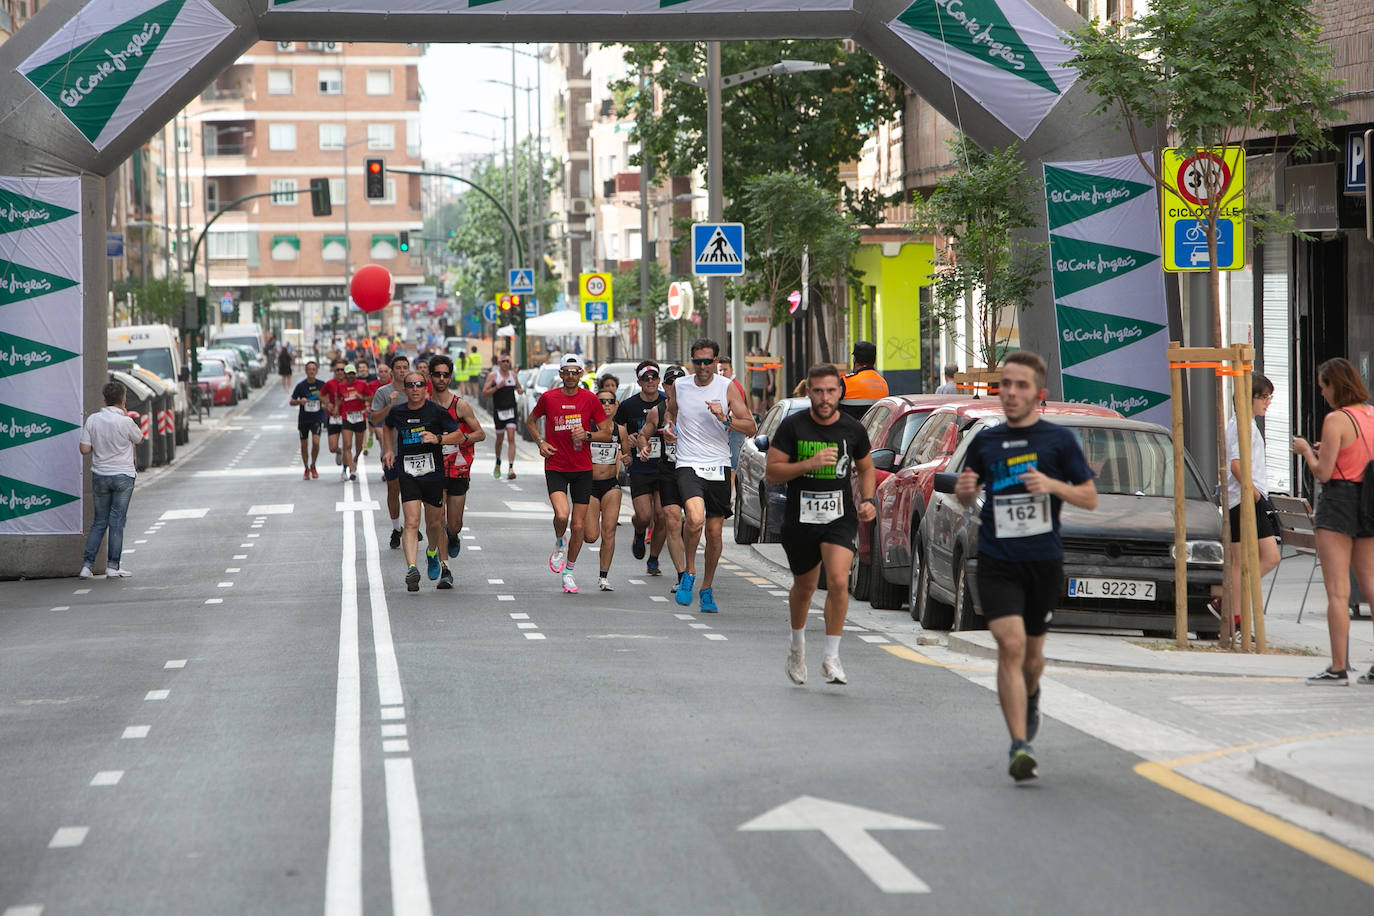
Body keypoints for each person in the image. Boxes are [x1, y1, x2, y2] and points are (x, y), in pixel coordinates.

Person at [954, 350, 1097, 781]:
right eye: (1005, 385)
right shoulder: (986, 441)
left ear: (1039, 394)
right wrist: (965, 490)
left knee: (1032, 656)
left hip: (1042, 562)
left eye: (1021, 386)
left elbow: (1089, 497)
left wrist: (1052, 484)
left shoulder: (1059, 441)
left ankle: (1031, 694)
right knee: (1011, 646)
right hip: (997, 560)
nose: (1011, 393)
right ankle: (1019, 745)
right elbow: (967, 494)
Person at [766, 364, 877, 685]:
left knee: (839, 581)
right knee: (805, 588)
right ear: (808, 392)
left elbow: (866, 467)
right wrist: (809, 464)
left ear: (840, 392)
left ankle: (831, 656)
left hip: (839, 516)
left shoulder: (852, 429)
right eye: (818, 391)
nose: (825, 398)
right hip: (800, 519)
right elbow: (772, 472)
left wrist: (868, 499)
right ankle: (797, 648)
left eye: (830, 391)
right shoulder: (793, 426)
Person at [1291, 357, 1374, 686]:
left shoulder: (1336, 419)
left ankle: (1339, 667)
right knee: (1371, 585)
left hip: (1338, 501)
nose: (1322, 393)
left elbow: (1323, 473)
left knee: (1338, 592)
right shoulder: (1371, 415)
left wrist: (1306, 451)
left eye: (1323, 387)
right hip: (1369, 501)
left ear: (1335, 386)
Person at [664, 338, 757, 612]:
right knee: (694, 518)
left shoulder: (726, 387)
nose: (703, 366)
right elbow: (671, 412)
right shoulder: (681, 386)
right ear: (692, 361)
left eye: (708, 361)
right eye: (698, 361)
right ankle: (689, 572)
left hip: (718, 464)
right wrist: (669, 427)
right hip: (688, 462)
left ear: (716, 361)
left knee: (714, 533)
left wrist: (725, 418)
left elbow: (750, 426)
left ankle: (706, 587)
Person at [526, 353, 613, 594]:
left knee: (578, 525)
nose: (571, 376)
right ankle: (558, 542)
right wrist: (541, 442)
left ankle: (569, 572)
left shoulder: (590, 399)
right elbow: (531, 421)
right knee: (562, 515)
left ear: (581, 374)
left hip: (582, 468)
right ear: (561, 374)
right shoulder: (549, 397)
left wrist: (587, 435)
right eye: (567, 372)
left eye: (575, 372)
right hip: (556, 465)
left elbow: (606, 432)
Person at [382, 371, 465, 592]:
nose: (415, 388)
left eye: (419, 384)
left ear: (425, 387)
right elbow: (387, 426)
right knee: (411, 522)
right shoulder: (397, 411)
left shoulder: (436, 411)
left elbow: (459, 435)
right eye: (411, 385)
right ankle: (411, 568)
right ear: (405, 389)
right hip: (408, 474)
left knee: (435, 524)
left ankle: (431, 552)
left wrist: (438, 438)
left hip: (433, 475)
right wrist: (388, 449)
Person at [1221, 373, 1280, 639]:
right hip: (1242, 499)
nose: (1267, 402)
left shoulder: (1246, 424)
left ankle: (1231, 606)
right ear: (1249, 398)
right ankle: (1233, 616)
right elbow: (1235, 464)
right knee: (1247, 561)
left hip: (1247, 498)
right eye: (1263, 397)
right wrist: (1254, 492)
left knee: (1262, 559)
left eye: (1269, 397)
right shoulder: (1241, 424)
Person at [78, 381, 146, 579]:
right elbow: (140, 439)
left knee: (99, 521)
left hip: (100, 475)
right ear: (123, 400)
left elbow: (84, 449)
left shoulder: (93, 420)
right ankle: (113, 567)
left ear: (104, 399)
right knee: (117, 521)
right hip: (123, 475)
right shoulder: (125, 422)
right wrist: (125, 415)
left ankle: (87, 566)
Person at [429, 355, 485, 585]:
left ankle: (453, 535)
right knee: (438, 518)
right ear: (430, 376)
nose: (442, 378)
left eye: (445, 374)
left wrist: (463, 438)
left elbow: (480, 433)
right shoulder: (425, 405)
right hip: (434, 470)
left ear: (450, 377)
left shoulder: (459, 405)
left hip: (458, 469)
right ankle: (445, 569)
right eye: (437, 374)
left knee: (454, 524)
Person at [615, 361, 667, 574]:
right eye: (646, 378)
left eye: (654, 377)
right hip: (640, 468)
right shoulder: (628, 405)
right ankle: (638, 532)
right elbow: (616, 430)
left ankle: (653, 559)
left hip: (664, 467)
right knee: (644, 516)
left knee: (661, 516)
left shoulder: (667, 402)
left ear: (659, 380)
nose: (650, 381)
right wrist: (626, 443)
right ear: (639, 382)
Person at [645, 366, 689, 586]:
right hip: (669, 471)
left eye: (680, 383)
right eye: (671, 383)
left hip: (693, 471)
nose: (675, 387)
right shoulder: (658, 411)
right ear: (665, 386)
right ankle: (682, 576)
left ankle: (689, 568)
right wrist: (643, 446)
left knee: (694, 523)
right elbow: (644, 434)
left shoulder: (698, 407)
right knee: (671, 521)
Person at [371, 354, 419, 549]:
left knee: (413, 490)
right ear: (392, 372)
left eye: (405, 367)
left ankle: (411, 525)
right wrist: (389, 405)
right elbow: (375, 419)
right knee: (393, 488)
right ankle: (396, 528)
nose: (402, 371)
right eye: (398, 367)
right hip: (391, 450)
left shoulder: (415, 391)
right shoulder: (383, 393)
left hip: (414, 448)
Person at [583, 389, 629, 591]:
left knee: (609, 532)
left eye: (610, 401)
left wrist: (629, 457)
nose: (606, 405)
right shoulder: (588, 428)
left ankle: (603, 577)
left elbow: (628, 455)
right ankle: (577, 524)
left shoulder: (620, 431)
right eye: (602, 401)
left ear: (616, 405)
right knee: (591, 536)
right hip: (589, 485)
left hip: (611, 485)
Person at [482, 352, 523, 480]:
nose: (506, 364)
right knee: (499, 440)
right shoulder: (493, 376)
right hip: (499, 411)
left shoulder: (513, 375)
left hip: (511, 410)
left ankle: (511, 468)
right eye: (503, 361)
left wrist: (519, 390)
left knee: (511, 437)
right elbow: (484, 393)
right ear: (499, 363)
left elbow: (519, 388)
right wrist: (497, 387)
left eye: (507, 361)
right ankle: (498, 461)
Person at [290, 360, 326, 479]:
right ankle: (306, 468)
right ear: (306, 371)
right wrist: (299, 401)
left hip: (317, 417)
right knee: (304, 445)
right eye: (309, 369)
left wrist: (324, 404)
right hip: (304, 419)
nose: (311, 371)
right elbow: (291, 401)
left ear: (317, 371)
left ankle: (313, 464)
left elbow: (328, 398)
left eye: (313, 369)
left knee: (316, 442)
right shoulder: (301, 386)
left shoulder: (321, 385)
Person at [336, 363, 373, 482]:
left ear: (355, 374)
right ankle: (351, 470)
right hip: (347, 417)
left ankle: (355, 459)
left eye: (352, 374)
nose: (350, 376)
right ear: (345, 375)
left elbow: (371, 396)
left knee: (359, 447)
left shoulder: (362, 384)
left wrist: (362, 398)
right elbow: (338, 398)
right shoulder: (341, 386)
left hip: (360, 417)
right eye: (348, 374)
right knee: (347, 445)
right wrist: (336, 408)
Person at [841, 340, 888, 418]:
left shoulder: (846, 382)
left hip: (848, 426)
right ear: (874, 361)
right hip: (874, 426)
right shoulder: (883, 383)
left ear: (854, 360)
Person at [320, 361, 348, 470]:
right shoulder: (329, 383)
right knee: (332, 448)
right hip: (333, 417)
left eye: (342, 370)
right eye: (338, 370)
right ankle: (338, 451)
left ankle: (345, 470)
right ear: (335, 371)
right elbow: (321, 395)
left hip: (346, 417)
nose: (340, 372)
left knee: (347, 445)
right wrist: (327, 403)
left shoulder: (349, 383)